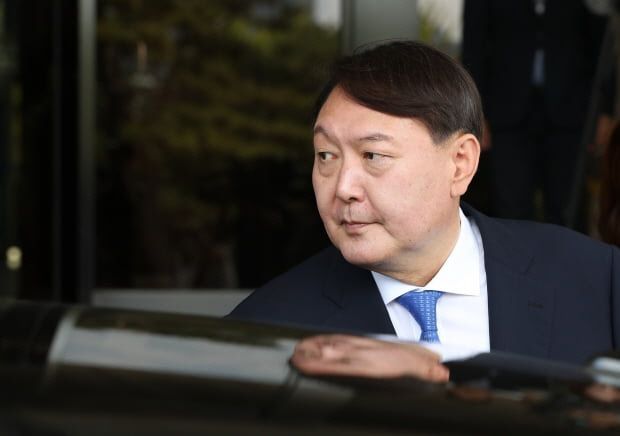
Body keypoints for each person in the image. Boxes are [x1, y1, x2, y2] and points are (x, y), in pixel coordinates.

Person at [228, 40, 620, 366]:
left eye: (373, 156)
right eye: (326, 155)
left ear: (460, 163)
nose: (343, 187)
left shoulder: (597, 280)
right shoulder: (265, 327)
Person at [461, 0, 607, 226]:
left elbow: (600, 47)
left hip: (570, 113)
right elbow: (474, 46)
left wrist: (603, 111)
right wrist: (475, 113)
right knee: (510, 210)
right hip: (506, 113)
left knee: (568, 209)